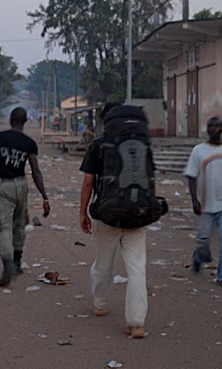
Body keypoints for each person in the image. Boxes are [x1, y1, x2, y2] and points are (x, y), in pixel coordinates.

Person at [79, 103, 154, 339]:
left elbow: (88, 182)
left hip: (108, 214)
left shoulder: (98, 146)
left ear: (105, 123)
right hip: (138, 215)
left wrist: (82, 212)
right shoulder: (142, 143)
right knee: (137, 269)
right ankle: (136, 323)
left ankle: (100, 304)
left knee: (103, 264)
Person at [0, 107, 51, 287]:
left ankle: (7, 263)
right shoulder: (29, 143)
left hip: (4, 186)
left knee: (3, 226)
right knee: (19, 223)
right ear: (26, 121)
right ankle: (18, 262)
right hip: (22, 185)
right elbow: (35, 170)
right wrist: (45, 197)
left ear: (11, 119)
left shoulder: (0, 138)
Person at [184, 116, 222, 288]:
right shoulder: (198, 151)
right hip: (205, 205)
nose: (214, 128)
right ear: (207, 128)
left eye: (218, 126)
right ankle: (198, 257)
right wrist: (194, 200)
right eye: (211, 125)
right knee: (203, 240)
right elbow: (191, 176)